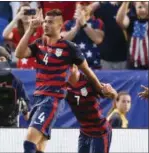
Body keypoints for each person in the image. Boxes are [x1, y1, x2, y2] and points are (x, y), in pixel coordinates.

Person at [15, 9, 116, 153]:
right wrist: (30, 30)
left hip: (51, 99)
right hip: (40, 100)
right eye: (45, 22)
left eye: (50, 22)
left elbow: (89, 72)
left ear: (60, 25)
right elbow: (19, 54)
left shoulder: (70, 49)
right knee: (38, 147)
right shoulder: (39, 44)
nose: (45, 25)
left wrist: (105, 90)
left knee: (29, 144)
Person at [66, 65, 117, 153]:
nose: (67, 70)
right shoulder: (63, 84)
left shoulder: (88, 80)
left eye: (70, 67)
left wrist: (110, 91)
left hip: (100, 131)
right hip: (84, 131)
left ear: (76, 67)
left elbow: (113, 95)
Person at [61, 2, 104, 69]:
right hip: (73, 67)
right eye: (82, 4)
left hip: (93, 67)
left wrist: (84, 24)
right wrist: (76, 27)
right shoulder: (68, 23)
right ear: (76, 6)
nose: (84, 7)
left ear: (91, 7)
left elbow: (98, 39)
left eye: (87, 4)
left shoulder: (97, 22)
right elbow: (62, 41)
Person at [89, 2, 129, 70]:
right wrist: (100, 2)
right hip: (105, 57)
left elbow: (122, 23)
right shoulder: (104, 6)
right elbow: (86, 12)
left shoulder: (128, 6)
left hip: (124, 57)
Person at [3, 3, 43, 69]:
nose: (26, 15)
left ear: (32, 14)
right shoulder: (16, 32)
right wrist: (16, 18)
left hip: (38, 66)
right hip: (23, 67)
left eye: (28, 12)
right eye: (23, 12)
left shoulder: (39, 29)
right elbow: (5, 35)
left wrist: (39, 20)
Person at [116, 2, 149, 69]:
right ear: (135, 6)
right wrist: (126, 2)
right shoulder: (131, 18)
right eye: (140, 7)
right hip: (132, 66)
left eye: (145, 6)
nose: (143, 10)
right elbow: (119, 21)